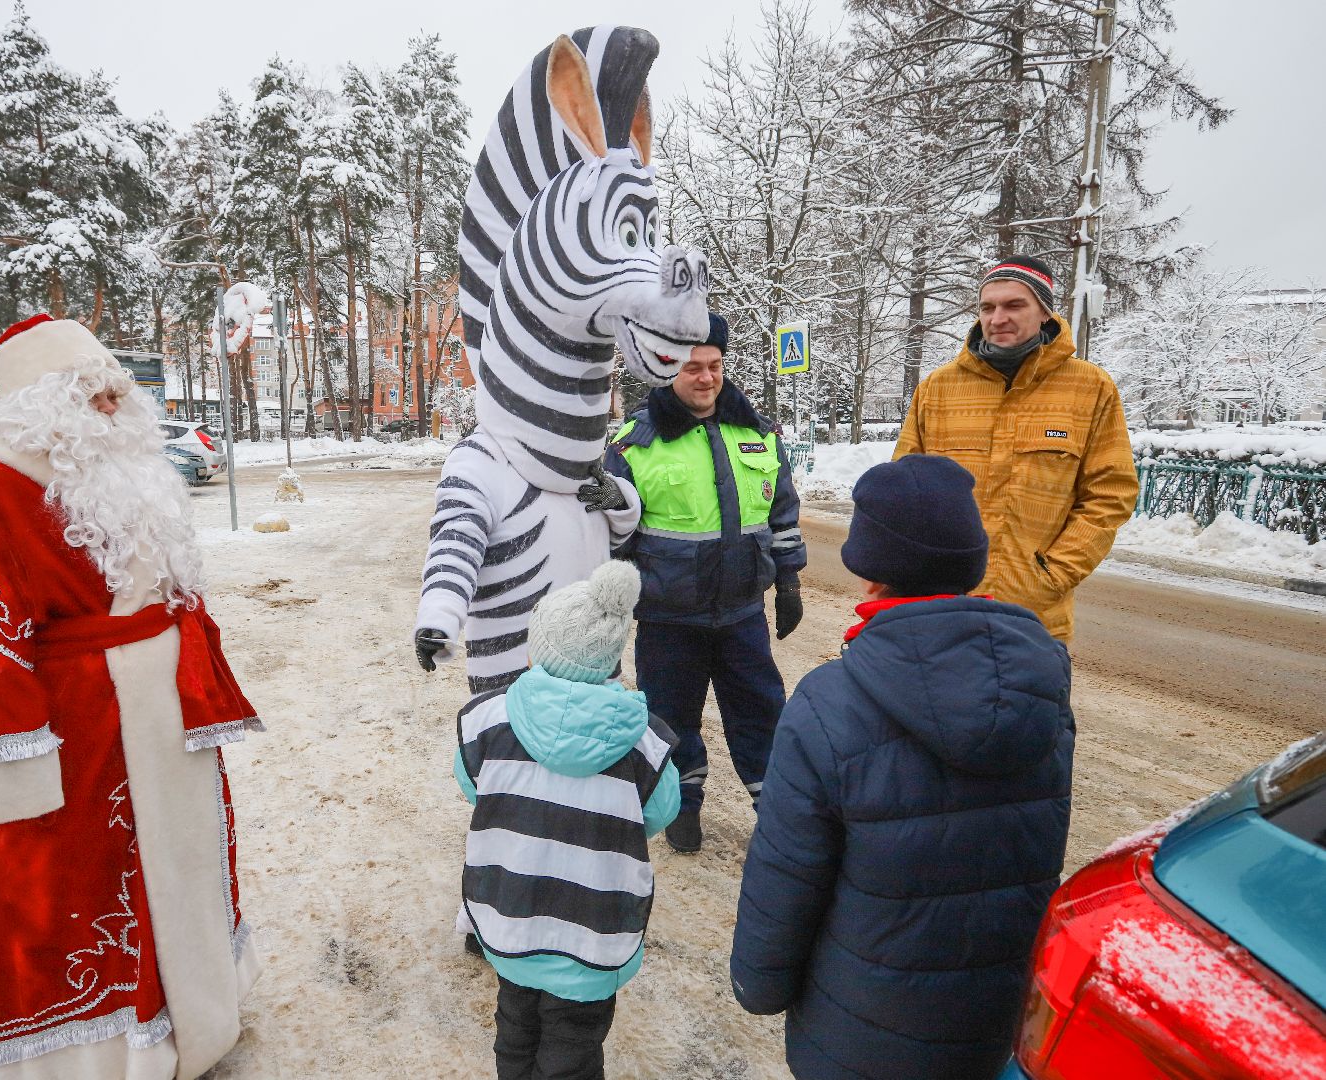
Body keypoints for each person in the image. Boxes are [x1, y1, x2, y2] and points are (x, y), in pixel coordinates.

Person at [0, 314, 262, 1078]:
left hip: (167, 720)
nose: (112, 404)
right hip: (78, 736)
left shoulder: (131, 473)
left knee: (179, 869)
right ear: (35, 404)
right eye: (89, 393)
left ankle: (199, 1008)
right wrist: (11, 771)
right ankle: (107, 1053)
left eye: (116, 389)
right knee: (85, 888)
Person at [729, 455, 1075, 1080]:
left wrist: (759, 983)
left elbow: (787, 872)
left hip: (860, 1029)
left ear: (871, 573)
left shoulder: (828, 702)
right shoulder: (1043, 686)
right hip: (995, 1019)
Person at [455, 560, 681, 1080]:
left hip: (510, 914)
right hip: (593, 931)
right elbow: (658, 814)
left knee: (514, 1026)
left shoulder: (486, 720)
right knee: (573, 1045)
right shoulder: (646, 746)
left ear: (536, 650)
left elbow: (473, 786)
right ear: (611, 662)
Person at [604, 313, 806, 853]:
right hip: (669, 619)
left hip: (742, 614)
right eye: (693, 367)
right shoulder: (633, 445)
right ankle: (681, 804)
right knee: (670, 719)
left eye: (714, 365)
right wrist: (611, 609)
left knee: (763, 713)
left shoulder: (759, 435)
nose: (706, 377)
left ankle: (779, 814)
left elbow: (782, 513)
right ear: (668, 369)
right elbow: (614, 539)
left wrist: (789, 582)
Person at [894, 254, 1138, 642]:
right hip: (941, 608)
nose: (997, 318)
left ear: (1045, 312)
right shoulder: (939, 390)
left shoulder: (1090, 389)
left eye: (1014, 305)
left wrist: (1051, 573)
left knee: (1031, 705)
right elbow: (904, 489)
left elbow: (1110, 494)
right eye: (987, 307)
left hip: (1033, 618)